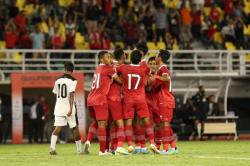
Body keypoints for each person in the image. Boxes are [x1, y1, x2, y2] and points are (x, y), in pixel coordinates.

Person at [117, 50, 160, 154]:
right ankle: (152, 143)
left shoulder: (123, 68)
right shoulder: (144, 68)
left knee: (129, 122)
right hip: (141, 98)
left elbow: (116, 68)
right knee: (147, 121)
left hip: (128, 99)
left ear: (130, 58)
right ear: (140, 59)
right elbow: (149, 69)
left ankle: (130, 145)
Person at [86, 51, 124, 155]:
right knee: (103, 125)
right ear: (101, 59)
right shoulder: (109, 69)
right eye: (107, 57)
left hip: (90, 99)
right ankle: (102, 151)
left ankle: (88, 141)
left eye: (110, 57)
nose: (109, 59)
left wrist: (113, 62)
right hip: (100, 99)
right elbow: (120, 81)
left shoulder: (99, 67)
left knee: (96, 122)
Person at [49, 62, 83, 155]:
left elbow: (56, 95)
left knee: (57, 128)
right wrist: (71, 108)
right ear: (72, 70)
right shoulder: (73, 81)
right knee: (75, 128)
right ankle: (79, 150)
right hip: (69, 108)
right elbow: (71, 94)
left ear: (64, 69)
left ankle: (52, 148)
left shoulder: (57, 80)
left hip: (59, 107)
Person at [153, 49, 178, 154]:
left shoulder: (163, 69)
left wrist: (154, 76)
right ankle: (173, 147)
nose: (155, 56)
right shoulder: (160, 69)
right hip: (165, 99)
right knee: (165, 124)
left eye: (156, 55)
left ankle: (166, 148)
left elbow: (166, 78)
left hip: (165, 99)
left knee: (165, 124)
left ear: (160, 58)